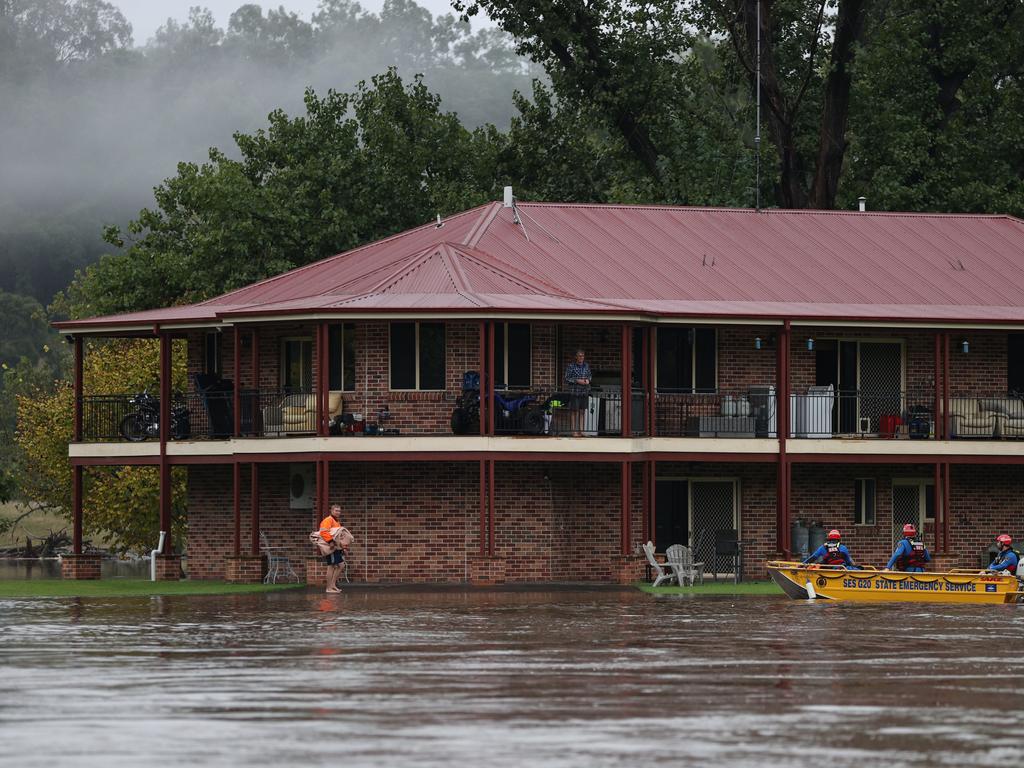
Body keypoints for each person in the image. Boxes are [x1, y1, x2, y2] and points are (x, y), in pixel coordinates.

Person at [563, 348, 592, 437]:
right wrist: (577, 381)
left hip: (584, 392)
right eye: (579, 356)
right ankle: (574, 431)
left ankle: (581, 431)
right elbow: (566, 378)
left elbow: (590, 375)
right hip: (575, 392)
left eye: (582, 356)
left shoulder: (586, 366)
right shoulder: (571, 366)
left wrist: (588, 380)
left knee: (582, 411)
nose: (581, 357)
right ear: (576, 357)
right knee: (574, 411)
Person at [319, 503, 347, 593]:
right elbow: (323, 532)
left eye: (339, 511)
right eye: (336, 510)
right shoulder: (328, 520)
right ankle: (329, 588)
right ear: (331, 511)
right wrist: (330, 541)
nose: (338, 512)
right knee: (331, 566)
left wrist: (344, 548)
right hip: (331, 547)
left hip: (336, 547)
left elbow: (339, 537)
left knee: (341, 565)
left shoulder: (336, 522)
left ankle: (333, 585)